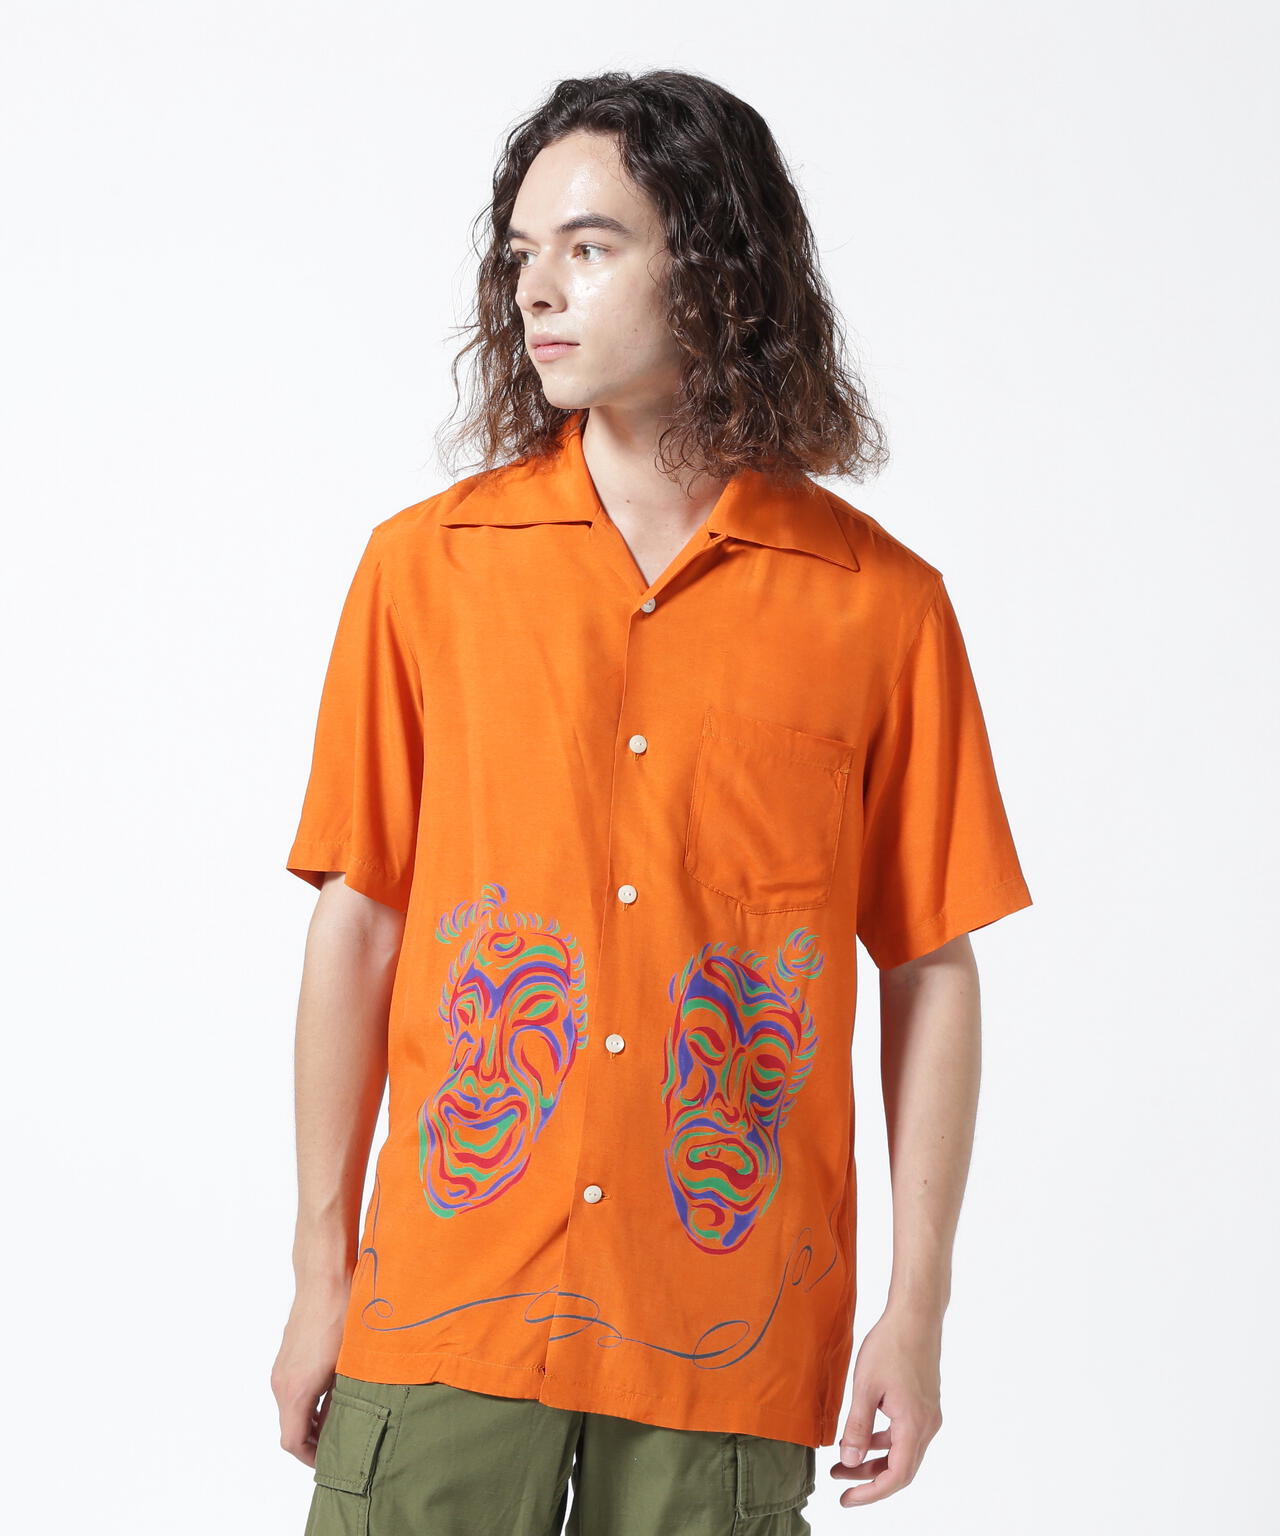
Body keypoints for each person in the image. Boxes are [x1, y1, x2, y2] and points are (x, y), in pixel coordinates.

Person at [272, 68, 1033, 1535]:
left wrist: (918, 1307)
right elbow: (357, 925)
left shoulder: (878, 606)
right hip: (450, 1303)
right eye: (522, 253)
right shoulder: (428, 571)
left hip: (725, 1324)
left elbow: (931, 964)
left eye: (591, 245)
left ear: (717, 266)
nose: (536, 290)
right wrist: (320, 1275)